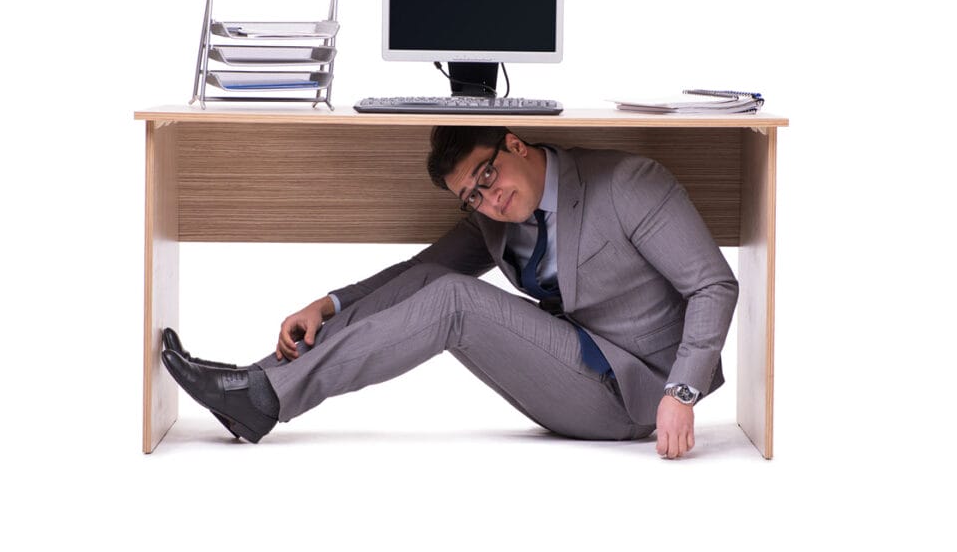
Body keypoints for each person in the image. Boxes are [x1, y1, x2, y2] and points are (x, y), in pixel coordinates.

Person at [161, 125, 738, 459]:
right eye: (471, 197)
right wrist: (326, 304)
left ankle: (262, 397)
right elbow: (419, 274)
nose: (488, 201)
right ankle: (253, 386)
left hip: (640, 396)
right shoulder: (495, 218)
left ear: (513, 143)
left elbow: (714, 284)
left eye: (486, 178)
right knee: (442, 283)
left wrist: (681, 393)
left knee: (458, 303)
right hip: (575, 359)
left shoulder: (627, 183)